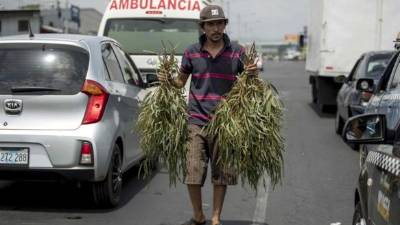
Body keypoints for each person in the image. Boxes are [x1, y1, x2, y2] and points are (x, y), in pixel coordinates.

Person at [158, 5, 257, 225]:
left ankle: (215, 217)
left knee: (221, 173)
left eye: (220, 23)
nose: (216, 28)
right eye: (211, 24)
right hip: (196, 120)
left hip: (225, 122)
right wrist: (167, 79)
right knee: (193, 169)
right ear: (202, 27)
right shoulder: (191, 52)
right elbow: (179, 83)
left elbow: (250, 82)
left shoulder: (237, 52)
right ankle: (198, 214)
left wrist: (252, 73)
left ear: (224, 25)